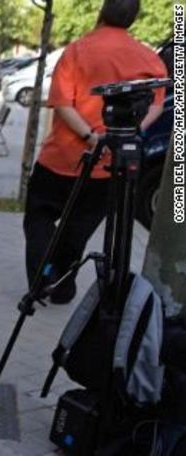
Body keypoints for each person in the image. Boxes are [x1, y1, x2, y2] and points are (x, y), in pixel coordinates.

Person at [23, 0, 166, 304]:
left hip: (61, 158)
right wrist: (127, 132)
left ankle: (40, 281)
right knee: (78, 228)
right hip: (111, 165)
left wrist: (90, 137)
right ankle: (62, 287)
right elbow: (156, 104)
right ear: (133, 18)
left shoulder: (76, 51)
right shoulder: (148, 58)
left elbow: (62, 104)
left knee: (40, 218)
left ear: (101, 12)